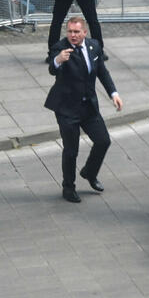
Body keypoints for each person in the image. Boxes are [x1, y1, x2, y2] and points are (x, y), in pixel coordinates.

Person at [44, 16, 123, 203]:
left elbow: (102, 72)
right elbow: (52, 70)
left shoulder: (94, 46)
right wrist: (58, 60)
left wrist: (114, 93)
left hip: (88, 106)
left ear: (84, 33)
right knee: (71, 150)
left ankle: (89, 171)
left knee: (103, 141)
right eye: (70, 31)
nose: (73, 35)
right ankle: (68, 188)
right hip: (67, 108)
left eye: (76, 32)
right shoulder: (60, 48)